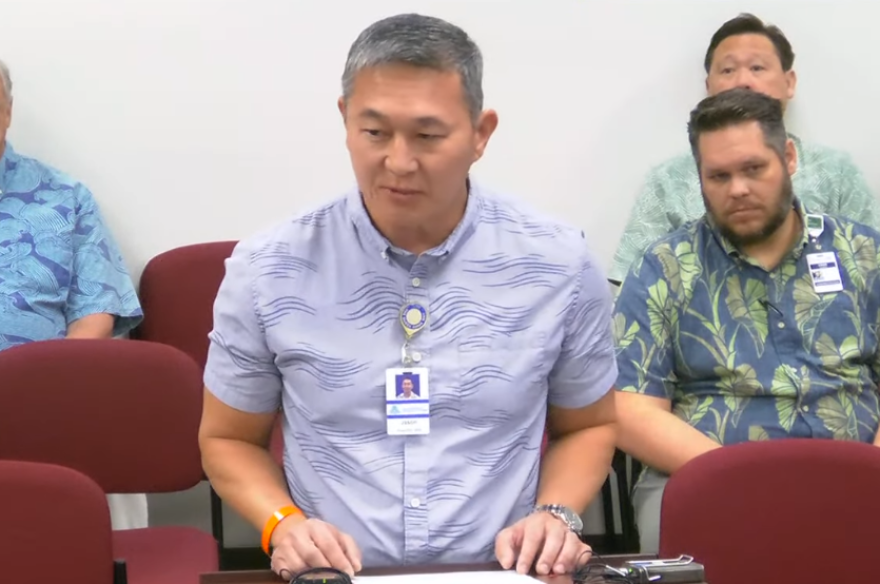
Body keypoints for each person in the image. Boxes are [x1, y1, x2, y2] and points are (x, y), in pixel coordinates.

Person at [199, 13, 618, 579]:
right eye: (375, 133)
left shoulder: (558, 262)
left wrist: (555, 514)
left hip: (500, 572)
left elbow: (589, 425)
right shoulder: (268, 269)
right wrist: (283, 524)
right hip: (338, 576)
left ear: (481, 133)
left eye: (427, 136)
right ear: (345, 120)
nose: (398, 162)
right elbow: (228, 439)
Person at [612, 87, 880, 554]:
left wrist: (866, 474)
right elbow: (630, 409)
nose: (737, 189)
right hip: (707, 473)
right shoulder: (663, 267)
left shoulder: (864, 253)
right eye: (718, 176)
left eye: (754, 169)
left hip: (858, 469)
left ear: (789, 158)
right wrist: (743, 480)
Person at [608, 12, 880, 284]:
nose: (743, 81)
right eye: (728, 70)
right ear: (709, 86)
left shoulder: (836, 173)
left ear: (789, 82)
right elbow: (632, 284)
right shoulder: (667, 182)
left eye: (757, 68)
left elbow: (871, 265)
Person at [0, 59, 146, 529]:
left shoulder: (64, 197)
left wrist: (43, 387)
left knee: (100, 426)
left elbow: (97, 313)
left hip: (42, 399)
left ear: (7, 111)